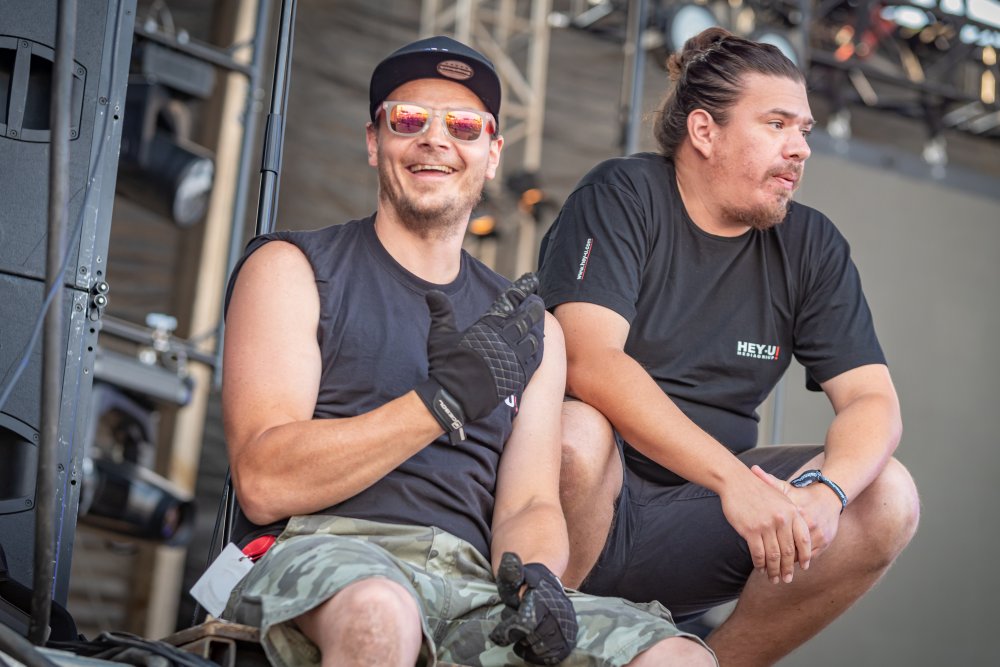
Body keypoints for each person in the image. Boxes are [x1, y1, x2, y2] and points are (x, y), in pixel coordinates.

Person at [219, 35, 715, 667]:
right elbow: (263, 482)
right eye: (408, 120)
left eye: (462, 125)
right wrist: (441, 404)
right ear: (373, 141)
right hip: (326, 552)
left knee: (680, 657)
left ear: (492, 153)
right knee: (380, 612)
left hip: (473, 584)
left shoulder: (532, 329)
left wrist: (537, 579)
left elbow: (530, 504)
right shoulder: (292, 267)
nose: (435, 139)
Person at [536, 27, 920, 666]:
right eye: (776, 124)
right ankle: (543, 640)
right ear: (704, 131)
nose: (799, 148)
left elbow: (872, 401)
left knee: (887, 495)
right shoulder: (623, 194)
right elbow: (590, 360)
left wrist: (825, 494)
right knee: (576, 434)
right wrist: (734, 480)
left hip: (703, 519)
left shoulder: (812, 244)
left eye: (804, 130)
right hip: (586, 500)